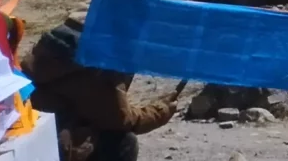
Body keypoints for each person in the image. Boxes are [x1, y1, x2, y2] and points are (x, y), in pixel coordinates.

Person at [21, 14, 179, 161]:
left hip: (33, 139)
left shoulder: (46, 52)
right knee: (123, 141)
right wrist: (161, 111)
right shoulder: (93, 70)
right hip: (59, 145)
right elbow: (120, 119)